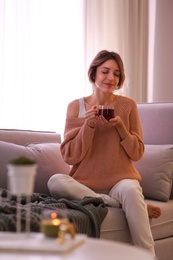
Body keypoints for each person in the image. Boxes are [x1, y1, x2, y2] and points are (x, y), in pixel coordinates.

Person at [48, 50, 161, 257]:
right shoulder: (76, 107)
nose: (111, 78)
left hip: (120, 180)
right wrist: (88, 126)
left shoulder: (128, 106)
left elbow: (137, 153)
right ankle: (115, 203)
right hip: (85, 184)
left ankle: (148, 257)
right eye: (105, 72)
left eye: (116, 74)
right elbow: (69, 157)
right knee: (55, 181)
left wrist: (121, 129)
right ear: (94, 74)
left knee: (131, 189)